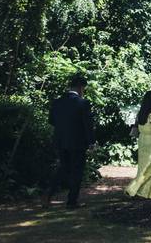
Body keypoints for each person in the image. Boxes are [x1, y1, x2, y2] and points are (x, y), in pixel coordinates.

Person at [42, 73, 95, 209]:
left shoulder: (57, 102)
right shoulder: (83, 103)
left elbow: (51, 121)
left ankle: (49, 193)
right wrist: (91, 142)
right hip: (77, 142)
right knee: (77, 170)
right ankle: (72, 201)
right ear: (80, 88)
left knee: (63, 168)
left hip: (60, 140)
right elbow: (87, 124)